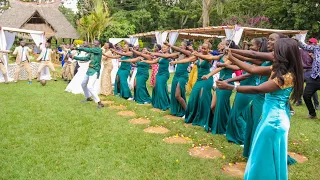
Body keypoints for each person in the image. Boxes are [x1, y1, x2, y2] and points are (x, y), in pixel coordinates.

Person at [216, 38, 303, 180]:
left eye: (277, 51)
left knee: (263, 158)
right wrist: (233, 57)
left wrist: (231, 87)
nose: (273, 53)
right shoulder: (276, 69)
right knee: (262, 155)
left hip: (275, 121)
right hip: (269, 116)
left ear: (284, 54)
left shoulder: (288, 77)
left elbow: (257, 89)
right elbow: (252, 69)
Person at [172, 42, 222, 126]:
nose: (203, 49)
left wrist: (197, 54)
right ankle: (192, 115)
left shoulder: (209, 57)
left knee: (203, 98)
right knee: (192, 98)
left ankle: (205, 118)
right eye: (202, 48)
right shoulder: (198, 56)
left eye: (205, 48)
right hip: (199, 80)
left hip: (207, 79)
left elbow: (206, 57)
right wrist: (176, 62)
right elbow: (188, 60)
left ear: (209, 49)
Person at [143, 44, 179, 111]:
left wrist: (150, 53)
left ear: (168, 48)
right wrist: (144, 61)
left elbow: (166, 56)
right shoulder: (160, 56)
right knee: (156, 87)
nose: (163, 48)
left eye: (164, 47)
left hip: (164, 74)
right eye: (162, 47)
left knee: (160, 88)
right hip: (159, 74)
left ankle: (164, 104)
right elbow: (153, 61)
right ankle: (157, 103)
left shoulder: (168, 56)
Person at [71, 40, 104, 109]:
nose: (94, 44)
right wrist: (74, 57)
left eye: (96, 43)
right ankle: (88, 97)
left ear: (99, 44)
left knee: (90, 86)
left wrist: (78, 48)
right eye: (94, 43)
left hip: (95, 70)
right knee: (83, 84)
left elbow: (88, 49)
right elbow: (85, 58)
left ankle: (99, 103)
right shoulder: (92, 52)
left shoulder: (98, 50)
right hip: (89, 70)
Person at [165, 41, 192, 117]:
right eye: (180, 45)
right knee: (174, 93)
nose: (180, 46)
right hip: (176, 75)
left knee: (178, 95)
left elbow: (180, 50)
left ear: (186, 47)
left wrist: (170, 45)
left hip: (183, 76)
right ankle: (176, 110)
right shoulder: (179, 54)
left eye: (182, 45)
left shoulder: (188, 53)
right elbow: (170, 56)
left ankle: (187, 112)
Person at [296, 37, 320, 119]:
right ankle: (312, 114)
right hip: (314, 77)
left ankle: (317, 106)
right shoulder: (316, 48)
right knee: (306, 95)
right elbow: (305, 47)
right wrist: (297, 40)